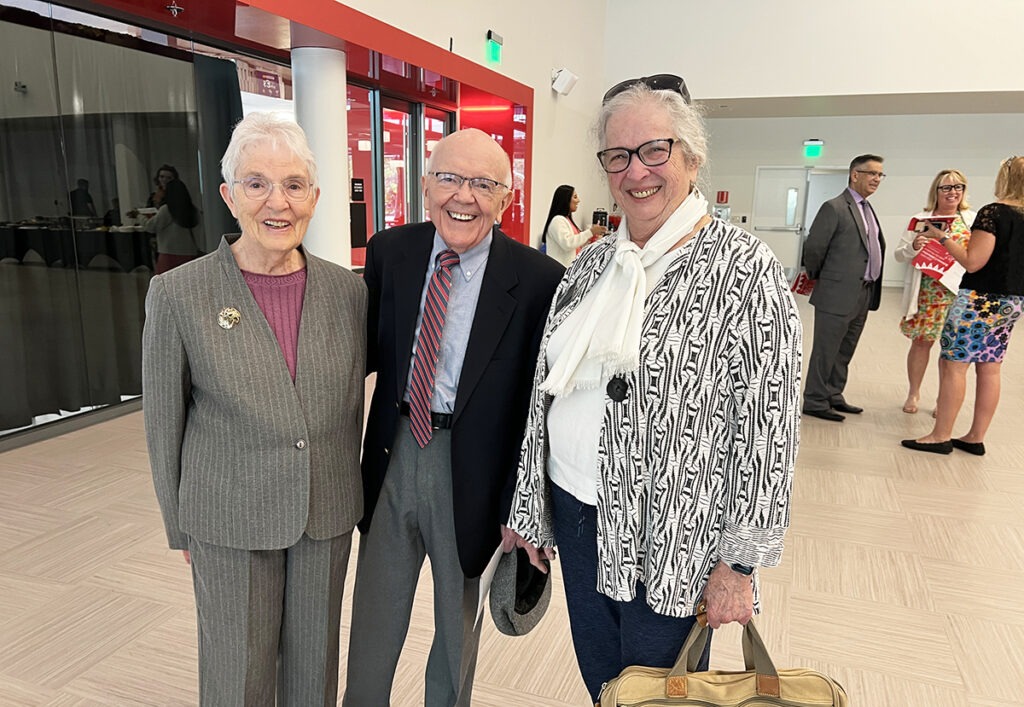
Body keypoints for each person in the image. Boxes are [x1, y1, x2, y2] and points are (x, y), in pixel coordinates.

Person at [505, 75, 802, 704]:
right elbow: (545, 393)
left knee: (661, 687)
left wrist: (738, 564)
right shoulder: (590, 264)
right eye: (618, 156)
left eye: (654, 151)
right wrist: (530, 510)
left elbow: (770, 431)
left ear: (692, 158)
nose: (635, 171)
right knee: (603, 679)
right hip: (577, 509)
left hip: (673, 531)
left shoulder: (742, 268)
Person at [143, 112, 367, 705]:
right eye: (257, 183)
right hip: (228, 516)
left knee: (314, 667)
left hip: (324, 511)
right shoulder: (179, 293)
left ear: (315, 198)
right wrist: (179, 521)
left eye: (294, 185)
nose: (278, 202)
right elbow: (162, 420)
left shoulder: (348, 291)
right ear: (228, 195)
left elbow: (349, 406)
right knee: (237, 671)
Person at [344, 128, 564, 707]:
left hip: (472, 471)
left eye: (484, 184)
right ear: (424, 184)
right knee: (373, 615)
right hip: (394, 449)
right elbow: (361, 354)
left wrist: (526, 507)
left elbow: (539, 407)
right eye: (448, 178)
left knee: (454, 625)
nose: (463, 195)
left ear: (506, 200)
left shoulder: (539, 280)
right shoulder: (391, 252)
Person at [902, 156, 1024, 456]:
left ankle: (940, 435)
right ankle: (974, 437)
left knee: (953, 365)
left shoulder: (993, 212)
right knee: (991, 368)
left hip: (979, 299)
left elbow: (973, 261)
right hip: (1011, 301)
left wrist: (942, 237)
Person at [801, 154, 887, 422]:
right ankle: (815, 400)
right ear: (855, 175)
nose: (877, 179)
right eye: (872, 173)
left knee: (845, 350)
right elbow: (814, 249)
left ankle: (833, 395)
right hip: (836, 293)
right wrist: (824, 278)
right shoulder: (835, 207)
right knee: (826, 350)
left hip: (863, 292)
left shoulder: (867, 209)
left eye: (880, 175)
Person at [894, 170, 976, 414]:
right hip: (928, 293)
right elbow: (899, 255)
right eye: (946, 187)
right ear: (936, 191)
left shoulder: (972, 219)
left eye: (958, 187)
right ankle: (914, 393)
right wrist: (914, 246)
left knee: (952, 351)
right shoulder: (921, 219)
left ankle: (944, 399)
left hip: (961, 294)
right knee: (921, 344)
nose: (953, 192)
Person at [541, 184, 608, 266]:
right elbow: (568, 244)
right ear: (566, 200)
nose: (578, 200)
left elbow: (576, 245)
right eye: (575, 197)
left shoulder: (567, 220)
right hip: (561, 271)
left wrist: (591, 237)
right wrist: (590, 232)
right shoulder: (557, 221)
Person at [145, 177, 201, 273]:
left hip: (168, 253)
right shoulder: (193, 209)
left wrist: (140, 217)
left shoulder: (166, 209)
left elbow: (150, 227)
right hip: (189, 252)